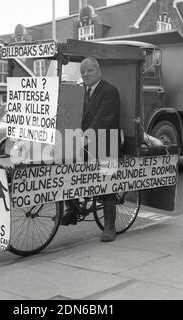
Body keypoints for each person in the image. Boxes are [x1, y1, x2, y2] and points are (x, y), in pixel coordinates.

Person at [60, 57, 120, 242]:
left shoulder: (109, 91)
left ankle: (110, 227)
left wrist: (85, 137)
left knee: (106, 181)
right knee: (66, 164)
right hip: (86, 142)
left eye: (89, 71)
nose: (85, 74)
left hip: (106, 142)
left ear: (99, 71)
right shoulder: (82, 92)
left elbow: (102, 119)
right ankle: (73, 207)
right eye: (82, 72)